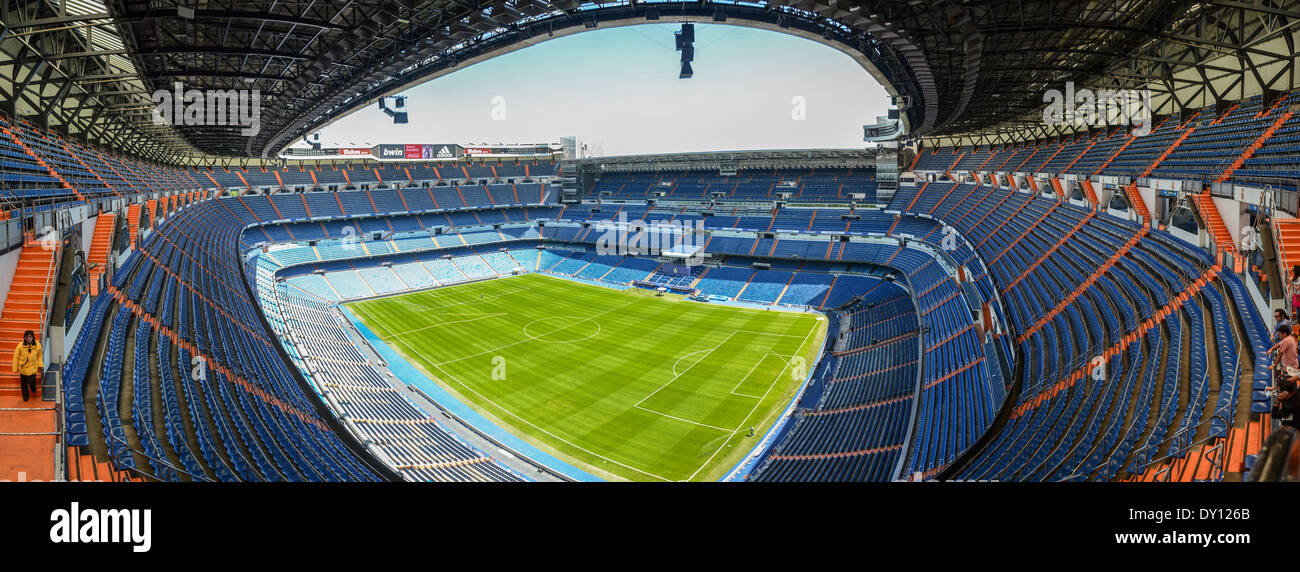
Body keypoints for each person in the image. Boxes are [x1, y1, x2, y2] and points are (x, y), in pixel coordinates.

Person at [11, 330, 42, 402]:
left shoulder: (38, 345)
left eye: (30, 337)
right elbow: (16, 357)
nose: (28, 339)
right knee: (24, 384)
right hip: (23, 368)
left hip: (32, 367)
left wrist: (40, 365)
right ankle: (25, 396)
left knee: (31, 381)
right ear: (25, 338)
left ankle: (33, 388)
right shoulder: (20, 345)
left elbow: (40, 356)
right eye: (27, 337)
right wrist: (15, 368)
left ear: (33, 337)